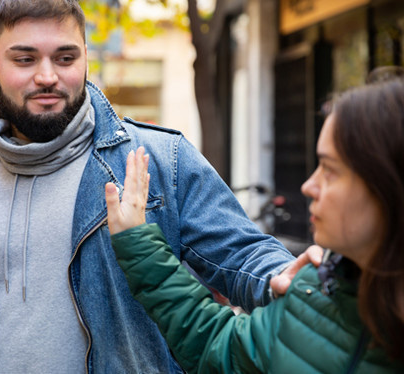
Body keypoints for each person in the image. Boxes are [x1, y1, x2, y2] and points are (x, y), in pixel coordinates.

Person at [0, 1, 301, 372]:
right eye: (24, 59)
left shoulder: (159, 161)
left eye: (65, 57)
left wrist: (293, 279)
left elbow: (244, 257)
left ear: (85, 57)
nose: (47, 76)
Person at [104, 75, 404, 372]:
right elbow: (221, 348)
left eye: (330, 170)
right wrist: (138, 243)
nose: (309, 186)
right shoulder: (320, 291)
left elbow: (241, 253)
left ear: (387, 186)